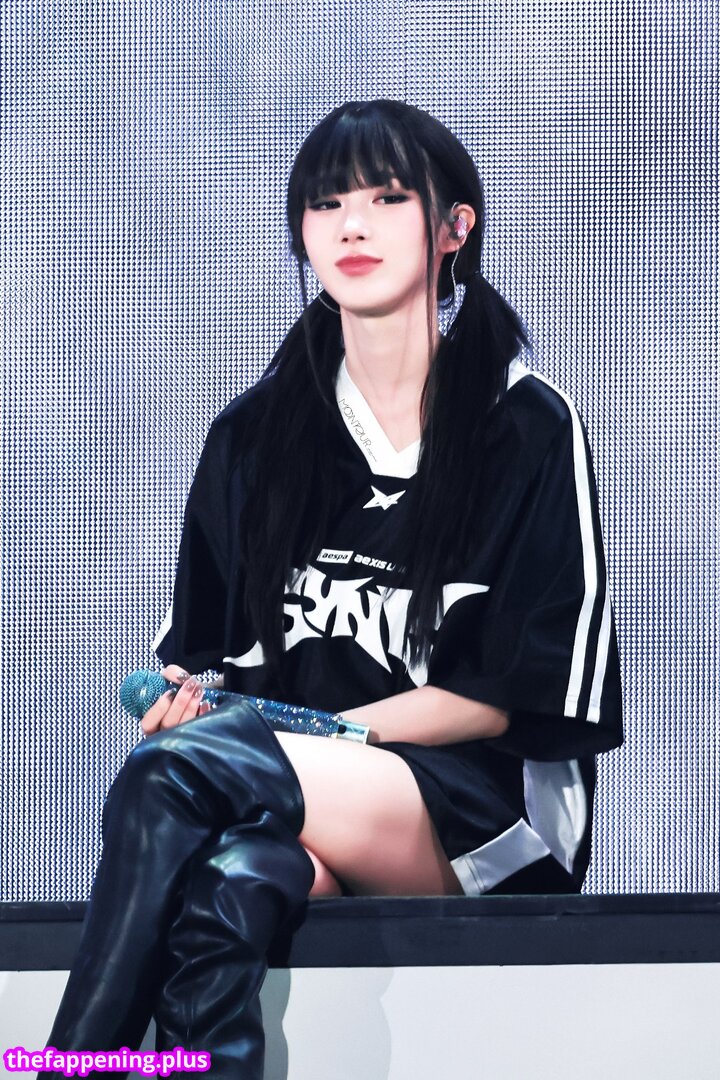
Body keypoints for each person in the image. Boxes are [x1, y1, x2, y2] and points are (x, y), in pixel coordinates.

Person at [40, 99, 623, 1078]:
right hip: (294, 795)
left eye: (387, 198)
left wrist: (296, 742)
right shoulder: (254, 435)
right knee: (229, 883)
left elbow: (512, 697)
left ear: (454, 227)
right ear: (302, 234)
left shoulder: (525, 425)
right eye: (326, 203)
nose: (352, 225)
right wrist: (187, 711)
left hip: (483, 821)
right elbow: (208, 662)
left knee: (177, 775)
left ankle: (71, 1063)